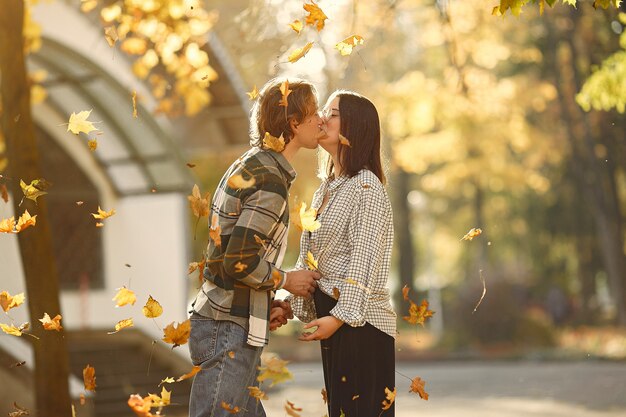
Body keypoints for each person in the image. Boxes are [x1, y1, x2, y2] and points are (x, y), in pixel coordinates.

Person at [188, 77, 323, 417]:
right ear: (294, 122)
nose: (321, 119)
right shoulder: (269, 182)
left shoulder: (253, 165)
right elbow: (238, 262)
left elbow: (227, 259)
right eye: (314, 112)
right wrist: (286, 281)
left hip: (229, 323)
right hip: (227, 330)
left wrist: (265, 299)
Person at [289, 90, 397, 417]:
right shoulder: (328, 187)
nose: (322, 118)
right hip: (335, 320)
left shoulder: (367, 187)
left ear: (355, 127)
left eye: (333, 113)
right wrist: (289, 298)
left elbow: (362, 263)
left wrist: (338, 318)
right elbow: (310, 257)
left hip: (361, 325)